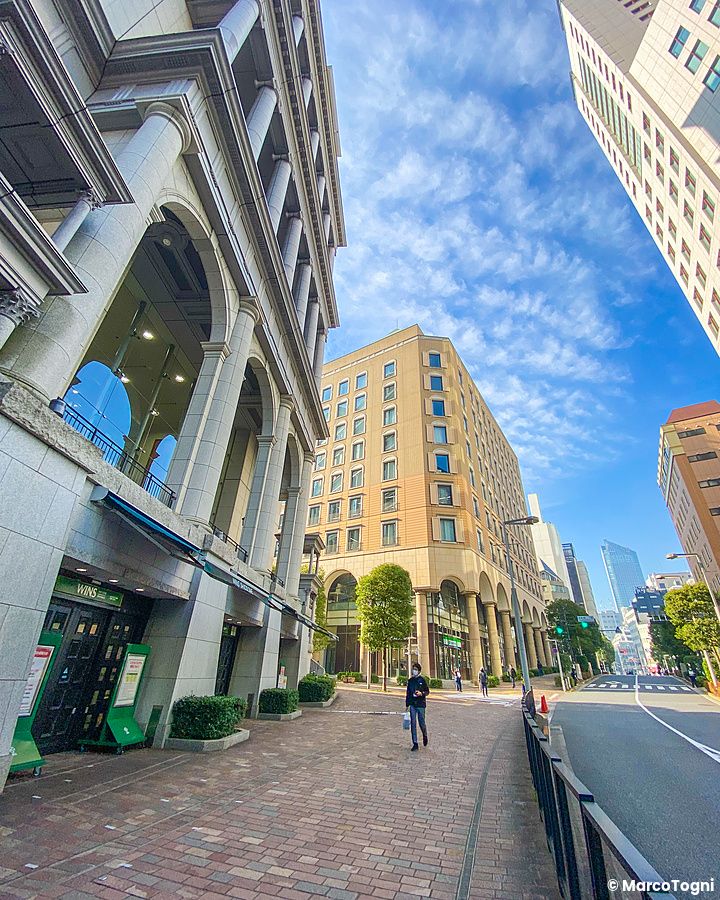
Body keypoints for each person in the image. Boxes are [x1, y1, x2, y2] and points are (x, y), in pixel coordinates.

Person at [405, 663, 430, 750]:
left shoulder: (422, 680)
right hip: (412, 704)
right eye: (413, 669)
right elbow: (408, 693)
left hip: (420, 704)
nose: (414, 671)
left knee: (421, 722)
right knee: (413, 723)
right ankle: (415, 743)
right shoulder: (410, 681)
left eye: (415, 669)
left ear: (419, 671)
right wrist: (407, 704)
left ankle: (425, 734)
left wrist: (421, 693)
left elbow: (427, 691)